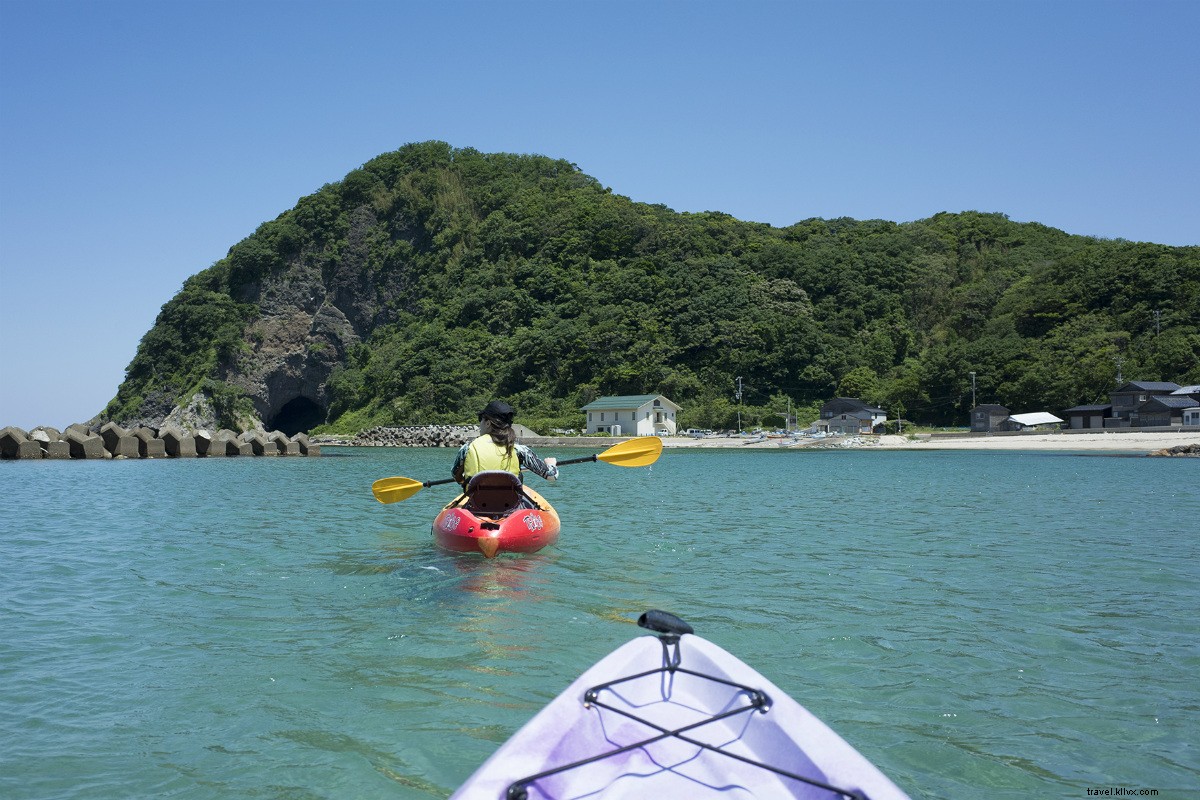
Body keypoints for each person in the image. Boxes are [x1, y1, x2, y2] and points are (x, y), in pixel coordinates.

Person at [451, 401, 559, 503]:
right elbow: (551, 476)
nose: (480, 424)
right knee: (519, 475)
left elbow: (456, 475)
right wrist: (551, 464)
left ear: (488, 423)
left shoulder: (468, 448)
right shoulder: (519, 449)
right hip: (509, 504)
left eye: (481, 419)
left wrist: (468, 480)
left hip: (477, 503)